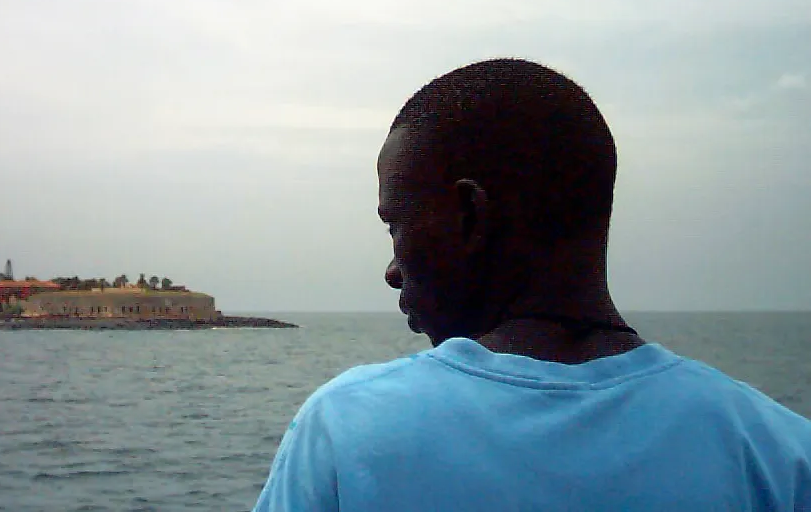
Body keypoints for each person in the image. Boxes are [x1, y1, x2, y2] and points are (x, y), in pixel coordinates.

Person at [253, 58, 811, 511]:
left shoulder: (348, 430)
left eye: (396, 226)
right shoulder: (778, 453)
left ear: (471, 215)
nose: (393, 270)